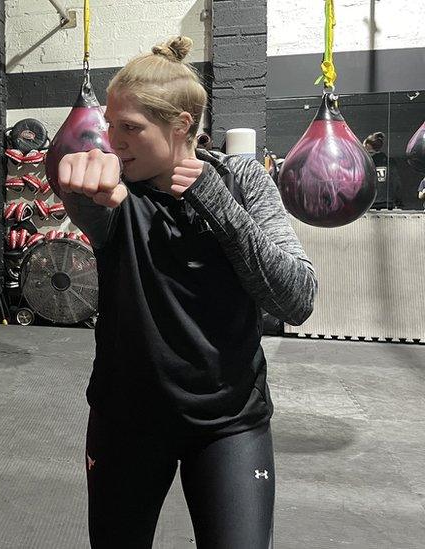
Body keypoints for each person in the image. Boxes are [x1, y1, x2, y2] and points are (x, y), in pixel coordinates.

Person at [53, 36, 317, 548]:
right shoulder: (118, 195)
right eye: (110, 124)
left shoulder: (240, 181)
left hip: (229, 423)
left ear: (182, 127)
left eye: (129, 128)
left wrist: (218, 205)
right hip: (126, 421)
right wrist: (80, 190)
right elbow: (97, 211)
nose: (113, 139)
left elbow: (297, 299)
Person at [363, 131, 404, 210]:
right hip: (388, 202)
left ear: (368, 147)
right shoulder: (389, 162)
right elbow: (396, 183)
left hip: (370, 203)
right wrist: (398, 201)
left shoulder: (367, 164)